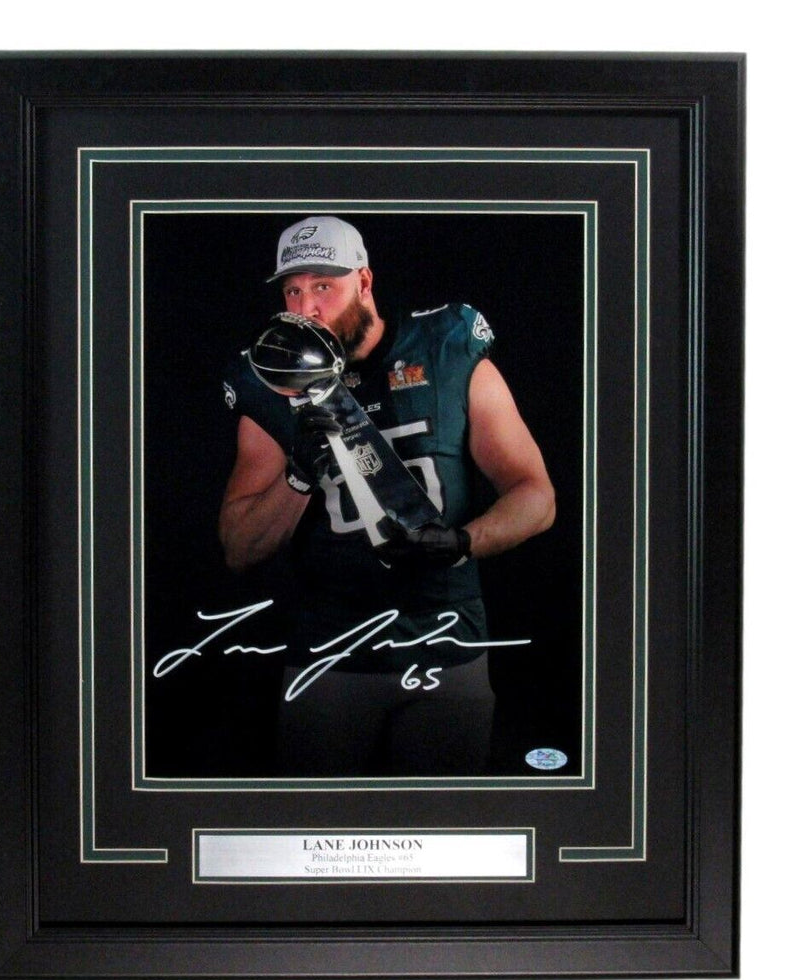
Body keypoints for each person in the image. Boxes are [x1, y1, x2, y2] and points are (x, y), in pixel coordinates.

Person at [219, 216, 555, 777]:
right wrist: (298, 475)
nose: (306, 308)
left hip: (447, 646)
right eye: (293, 291)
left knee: (442, 825)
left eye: (323, 286)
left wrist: (462, 541)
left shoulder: (444, 349)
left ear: (364, 281)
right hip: (329, 655)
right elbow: (239, 547)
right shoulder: (271, 375)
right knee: (320, 826)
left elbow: (536, 494)